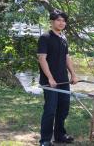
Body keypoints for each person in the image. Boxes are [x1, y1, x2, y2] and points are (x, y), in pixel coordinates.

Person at [38, 10, 78, 146]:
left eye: (63, 21)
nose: (61, 23)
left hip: (63, 80)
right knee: (50, 109)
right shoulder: (45, 37)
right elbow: (42, 59)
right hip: (50, 82)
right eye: (58, 20)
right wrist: (50, 78)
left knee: (64, 108)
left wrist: (73, 74)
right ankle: (45, 139)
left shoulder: (63, 38)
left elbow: (67, 58)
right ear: (52, 21)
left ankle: (60, 135)